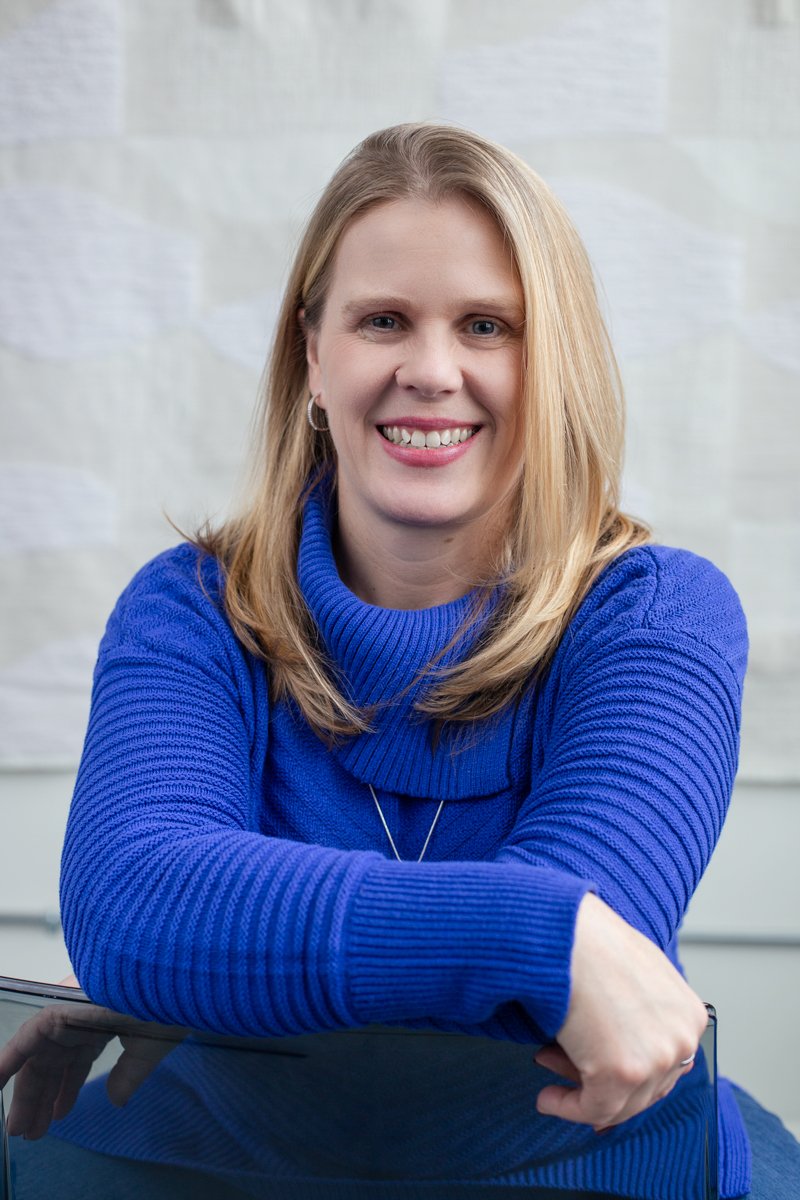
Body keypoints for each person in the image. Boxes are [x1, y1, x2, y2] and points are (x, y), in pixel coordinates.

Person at [2, 123, 797, 1198]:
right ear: (312, 357)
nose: (431, 371)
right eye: (382, 320)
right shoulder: (189, 607)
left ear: (549, 360)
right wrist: (538, 927)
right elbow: (133, 904)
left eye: (486, 325)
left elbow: (564, 994)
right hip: (202, 1166)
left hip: (579, 1173)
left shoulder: (658, 616)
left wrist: (220, 966)